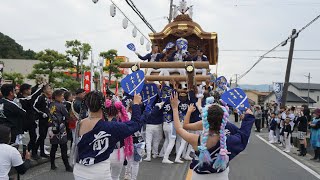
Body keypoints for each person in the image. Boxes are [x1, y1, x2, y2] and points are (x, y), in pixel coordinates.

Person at [170, 93, 255, 179]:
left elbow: (179, 129)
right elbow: (243, 136)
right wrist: (248, 118)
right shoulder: (228, 141)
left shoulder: (195, 139)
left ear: (205, 120)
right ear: (224, 121)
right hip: (221, 176)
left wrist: (174, 108)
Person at [72, 92, 147, 180]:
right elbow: (135, 124)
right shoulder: (110, 127)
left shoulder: (79, 123)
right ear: (103, 104)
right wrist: (136, 104)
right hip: (99, 173)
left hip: (79, 171)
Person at [48, 90, 72, 172]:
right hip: (61, 128)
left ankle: (52, 165)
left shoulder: (51, 105)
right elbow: (67, 116)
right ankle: (67, 166)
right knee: (63, 147)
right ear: (57, 96)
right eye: (61, 96)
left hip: (52, 128)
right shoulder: (61, 106)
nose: (63, 97)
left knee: (53, 147)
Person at [18, 83, 43, 160]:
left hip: (31, 121)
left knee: (34, 137)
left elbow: (33, 94)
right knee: (22, 139)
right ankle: (23, 154)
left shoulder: (27, 98)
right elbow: (34, 96)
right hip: (24, 121)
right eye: (29, 89)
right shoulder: (21, 99)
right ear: (25, 91)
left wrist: (37, 85)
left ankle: (28, 152)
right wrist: (41, 88)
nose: (30, 90)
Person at [33, 84, 52, 158]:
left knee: (43, 136)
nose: (50, 90)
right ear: (44, 90)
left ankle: (42, 152)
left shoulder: (48, 98)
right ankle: (34, 151)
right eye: (49, 89)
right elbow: (34, 106)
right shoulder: (41, 97)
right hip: (41, 119)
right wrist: (41, 113)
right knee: (42, 135)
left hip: (47, 119)